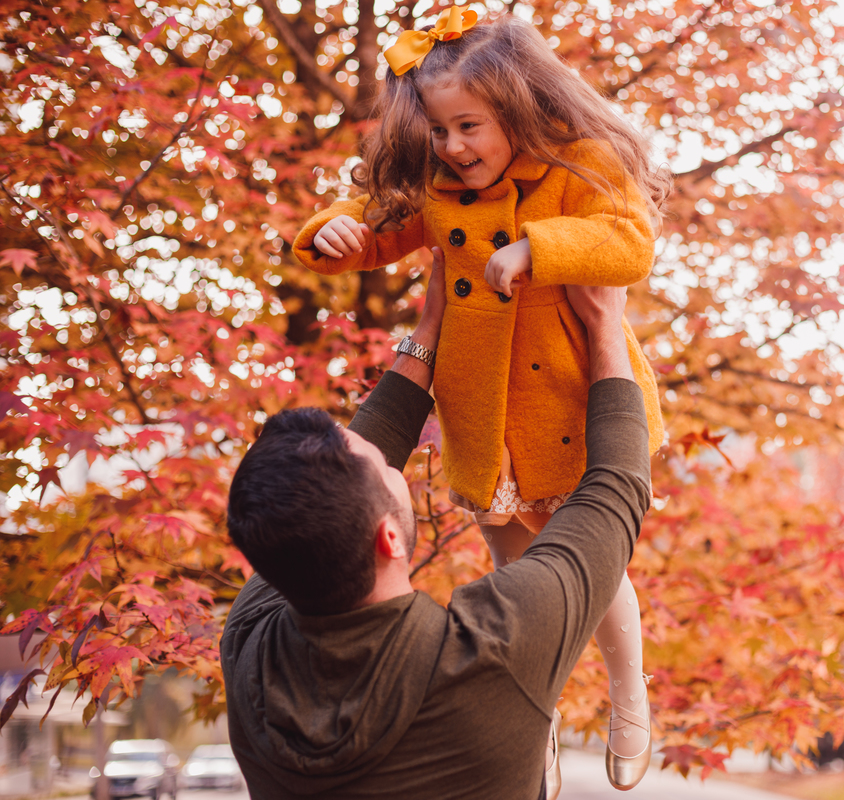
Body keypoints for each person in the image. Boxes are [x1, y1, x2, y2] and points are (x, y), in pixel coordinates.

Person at [290, 9, 669, 790]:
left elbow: (631, 242)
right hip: (482, 410)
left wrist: (543, 247)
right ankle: (536, 717)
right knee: (512, 569)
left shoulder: (577, 163)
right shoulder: (439, 187)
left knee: (594, 565)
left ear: (518, 108)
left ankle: (630, 693)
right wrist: (335, 232)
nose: (454, 147)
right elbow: (377, 222)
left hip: (569, 400)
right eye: (438, 131)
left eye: (470, 126)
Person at [222, 248, 652, 799]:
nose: (390, 457)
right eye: (383, 467)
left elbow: (361, 453)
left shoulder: (250, 645)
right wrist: (604, 326)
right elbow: (614, 490)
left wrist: (431, 324)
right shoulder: (491, 652)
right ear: (389, 536)